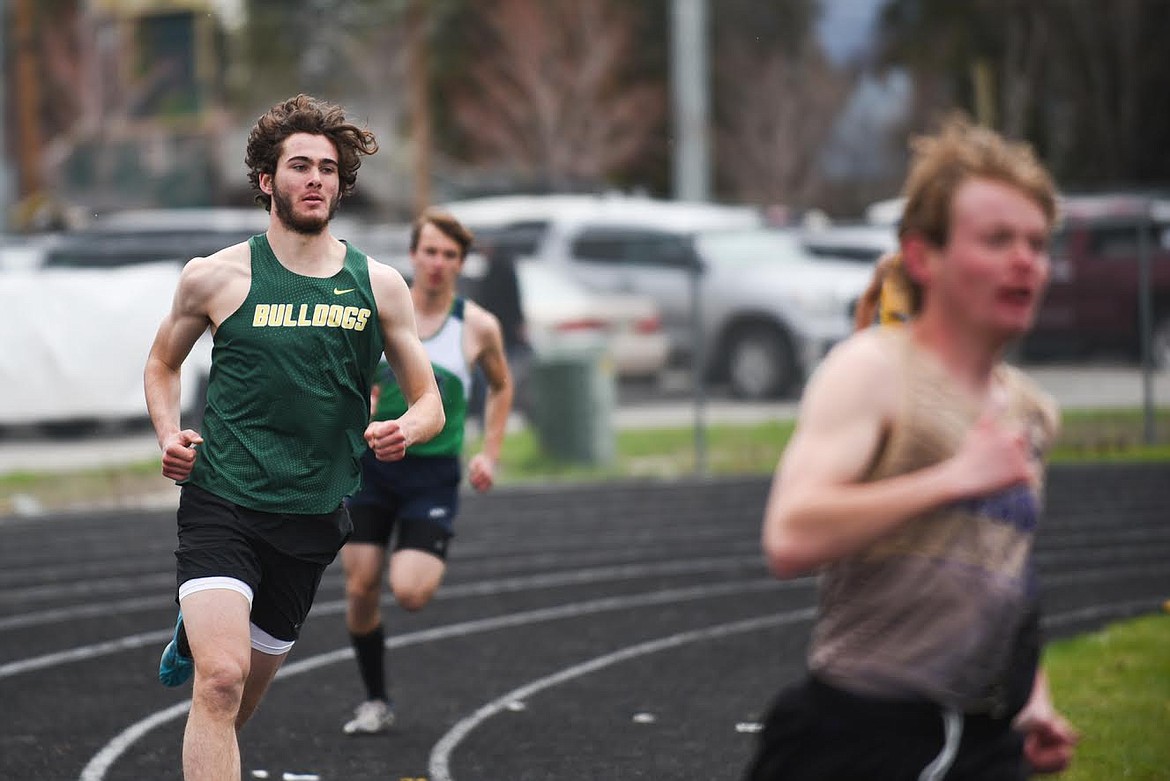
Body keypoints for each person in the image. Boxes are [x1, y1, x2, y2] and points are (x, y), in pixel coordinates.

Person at [744, 116, 1079, 781]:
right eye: (997, 239)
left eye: (1037, 244)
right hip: (860, 737)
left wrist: (1034, 701)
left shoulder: (1030, 412)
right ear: (924, 256)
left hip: (985, 745)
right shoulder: (871, 371)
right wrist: (954, 476)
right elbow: (790, 534)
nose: (1024, 261)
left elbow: (1005, 574)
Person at [143, 94, 444, 781]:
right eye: (300, 165)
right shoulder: (215, 276)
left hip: (312, 515)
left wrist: (406, 426)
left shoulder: (378, 284)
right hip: (223, 500)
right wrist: (168, 434)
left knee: (236, 703)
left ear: (343, 184)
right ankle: (206, 628)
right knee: (219, 680)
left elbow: (428, 401)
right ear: (265, 181)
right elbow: (162, 363)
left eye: (328, 169)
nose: (315, 179)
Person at [339, 207, 514, 735]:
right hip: (371, 469)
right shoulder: (380, 315)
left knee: (411, 593)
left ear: (461, 263)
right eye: (429, 251)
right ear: (413, 254)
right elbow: (350, 379)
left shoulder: (478, 326)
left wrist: (490, 452)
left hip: (432, 474)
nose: (437, 263)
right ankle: (375, 700)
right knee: (361, 586)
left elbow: (503, 386)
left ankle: (421, 544)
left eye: (449, 254)